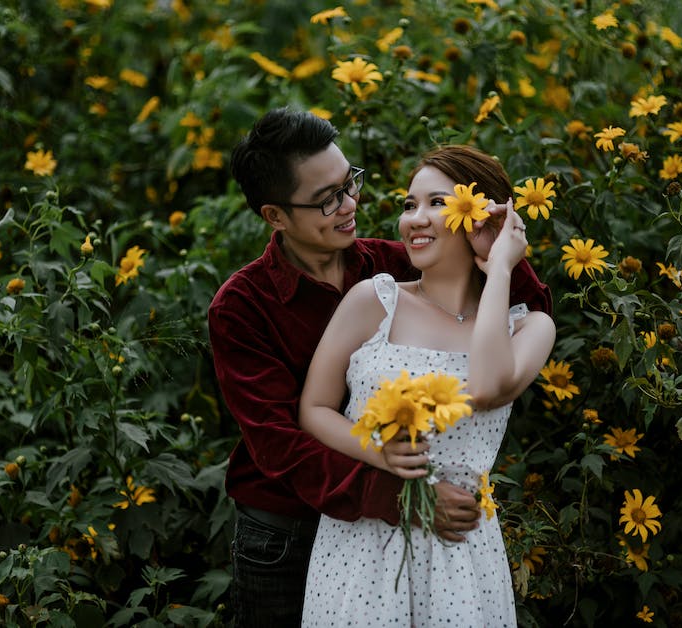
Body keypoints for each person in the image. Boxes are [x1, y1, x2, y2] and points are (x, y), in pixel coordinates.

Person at [207, 108, 551, 627]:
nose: (349, 206)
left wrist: (498, 249)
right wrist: (399, 495)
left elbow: (519, 304)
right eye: (327, 200)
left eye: (350, 185)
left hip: (431, 530)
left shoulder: (394, 262)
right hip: (288, 534)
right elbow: (280, 440)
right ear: (276, 216)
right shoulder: (241, 306)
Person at [298, 145, 557, 627]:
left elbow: (483, 386)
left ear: (483, 218)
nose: (415, 219)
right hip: (363, 545)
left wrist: (500, 267)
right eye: (408, 204)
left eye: (438, 203)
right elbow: (313, 409)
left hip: (460, 552)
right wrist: (379, 454)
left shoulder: (529, 328)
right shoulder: (372, 301)